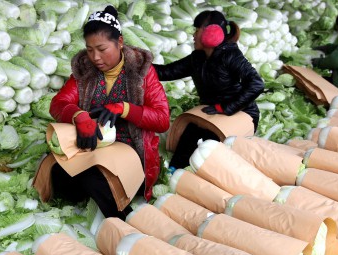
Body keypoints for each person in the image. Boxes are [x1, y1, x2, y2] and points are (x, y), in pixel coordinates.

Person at [48, 6, 170, 219]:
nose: (95, 57)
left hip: (130, 151)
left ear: (120, 42)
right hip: (93, 145)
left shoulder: (142, 72)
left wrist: (125, 109)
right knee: (56, 173)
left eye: (102, 49)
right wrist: (79, 116)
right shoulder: (85, 72)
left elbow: (162, 119)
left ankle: (127, 221)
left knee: (91, 177)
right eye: (89, 49)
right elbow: (59, 103)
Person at [153, 10, 265, 170]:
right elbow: (166, 72)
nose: (193, 35)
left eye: (196, 30)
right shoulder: (197, 58)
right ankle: (173, 172)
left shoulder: (231, 55)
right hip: (213, 113)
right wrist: (134, 63)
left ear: (211, 33)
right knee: (189, 133)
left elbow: (257, 84)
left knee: (208, 142)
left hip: (241, 113)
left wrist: (226, 108)